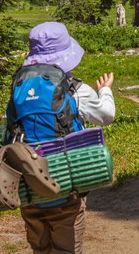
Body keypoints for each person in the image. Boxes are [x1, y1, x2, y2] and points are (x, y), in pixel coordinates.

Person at [16, 22, 116, 254]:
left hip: (29, 187)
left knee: (40, 249)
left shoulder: (19, 88)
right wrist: (105, 90)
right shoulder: (76, 89)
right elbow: (106, 116)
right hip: (65, 186)